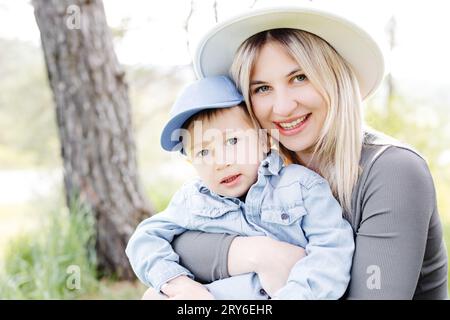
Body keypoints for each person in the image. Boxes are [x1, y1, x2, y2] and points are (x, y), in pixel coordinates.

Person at [167, 5, 448, 299]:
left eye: (300, 77)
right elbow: (175, 238)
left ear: (334, 79)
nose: (284, 106)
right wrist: (257, 253)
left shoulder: (393, 171)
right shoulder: (260, 174)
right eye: (262, 88)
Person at [125, 75, 355, 299]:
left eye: (232, 141)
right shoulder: (194, 200)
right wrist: (178, 283)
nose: (221, 162)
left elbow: (332, 250)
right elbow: (144, 239)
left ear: (264, 140)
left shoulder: (302, 187)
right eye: (204, 152)